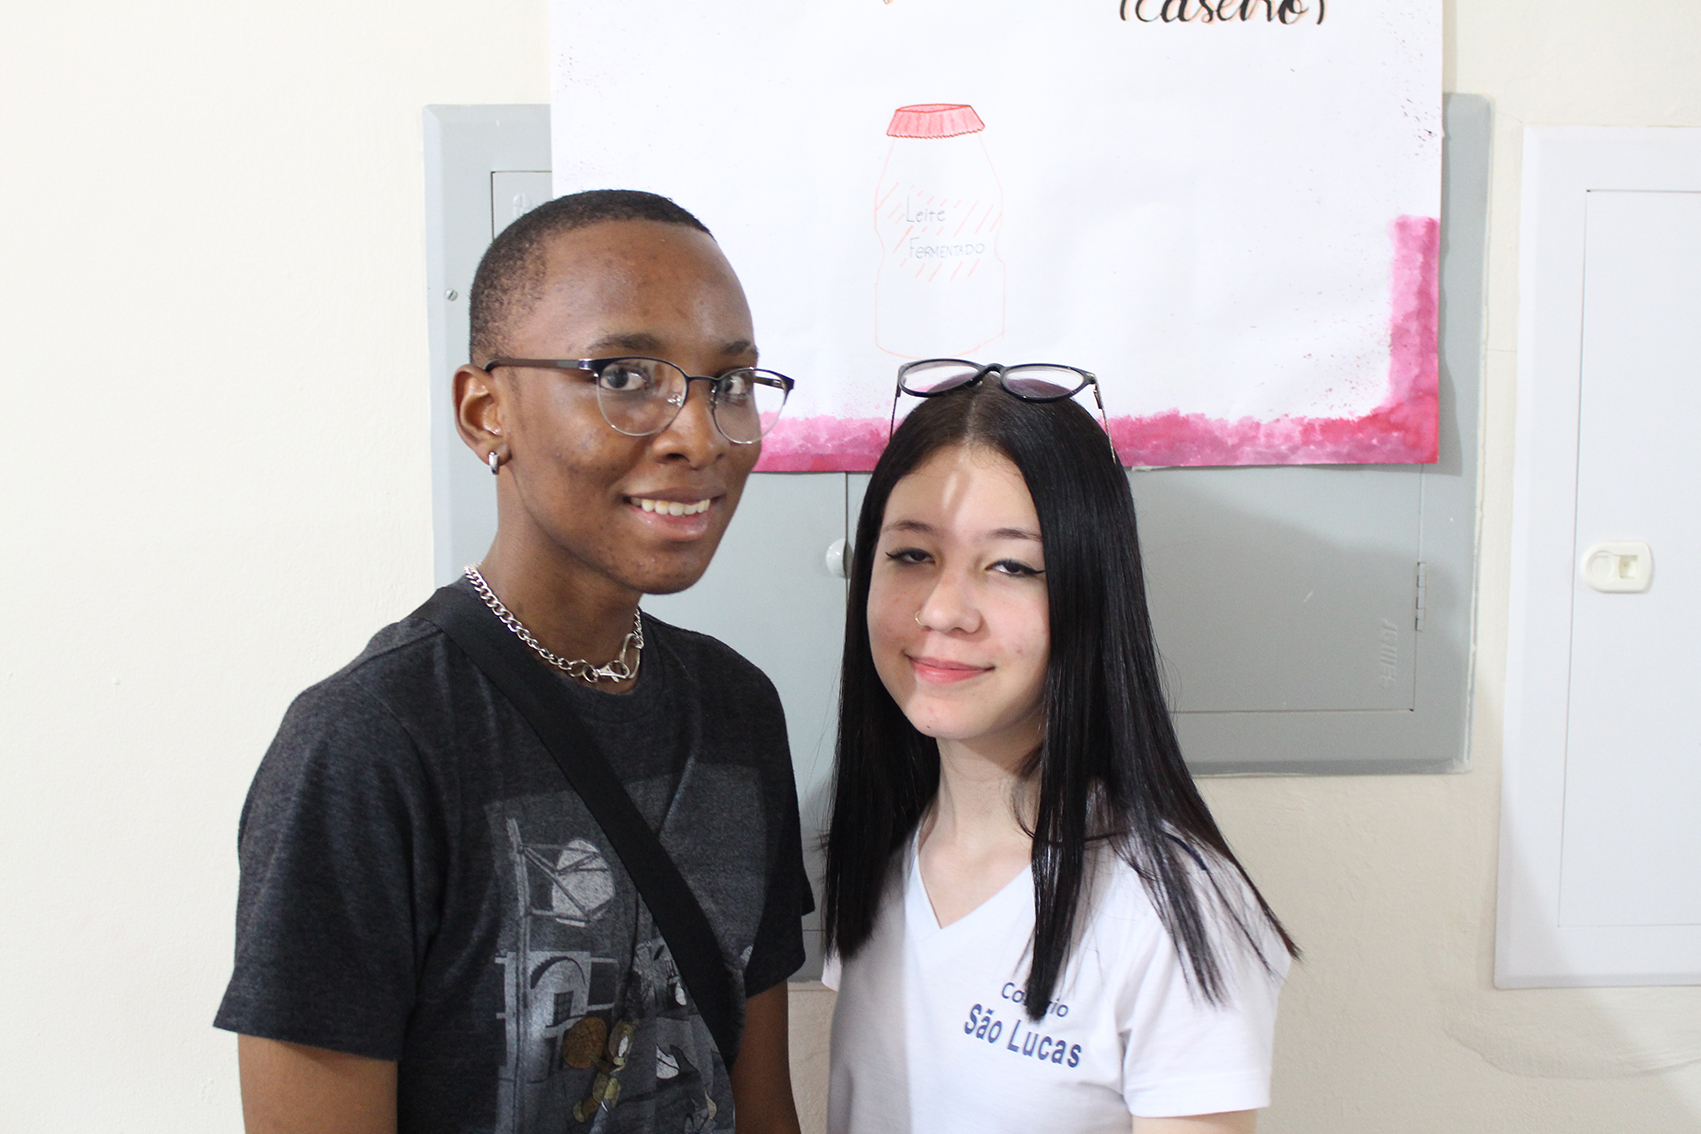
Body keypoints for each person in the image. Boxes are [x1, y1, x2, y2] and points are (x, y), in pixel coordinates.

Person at [215, 190, 813, 1134]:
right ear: (485, 410)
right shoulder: (371, 744)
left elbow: (759, 1103)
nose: (699, 435)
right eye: (624, 375)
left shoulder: (736, 708)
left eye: (729, 384)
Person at [821, 363, 1298, 1134]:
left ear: (1088, 591)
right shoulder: (873, 847)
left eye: (1010, 566)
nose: (943, 610)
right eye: (911, 555)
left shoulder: (1167, 904)